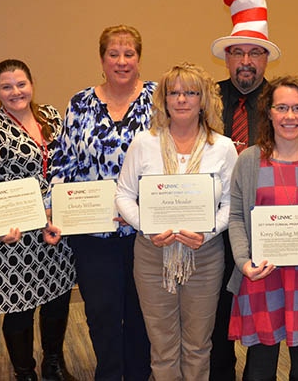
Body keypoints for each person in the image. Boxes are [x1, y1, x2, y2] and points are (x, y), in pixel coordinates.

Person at [115, 62, 237, 380]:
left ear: (203, 99)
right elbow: (123, 195)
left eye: (191, 92)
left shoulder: (222, 148)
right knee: (163, 346)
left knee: (198, 345)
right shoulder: (144, 142)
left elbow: (232, 204)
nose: (182, 99)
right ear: (164, 99)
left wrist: (208, 233)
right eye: (174, 92)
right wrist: (148, 226)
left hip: (205, 256)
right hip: (153, 255)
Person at [48, 25, 154, 380]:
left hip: (144, 233)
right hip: (93, 233)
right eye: (114, 54)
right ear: (102, 59)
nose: (121, 61)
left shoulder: (159, 99)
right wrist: (53, 209)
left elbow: (171, 160)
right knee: (102, 314)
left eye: (129, 54)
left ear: (139, 58)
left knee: (142, 315)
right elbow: (63, 161)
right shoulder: (80, 103)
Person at [227, 75, 298, 380]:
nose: (290, 116)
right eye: (281, 108)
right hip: (262, 277)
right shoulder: (250, 161)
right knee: (260, 368)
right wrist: (243, 263)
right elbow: (237, 218)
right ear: (269, 113)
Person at [0, 59, 77, 381]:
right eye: (6, 86)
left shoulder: (51, 117)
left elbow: (66, 167)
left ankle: (53, 364)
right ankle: (25, 372)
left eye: (21, 84)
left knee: (58, 301)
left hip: (54, 231)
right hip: (14, 238)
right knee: (20, 307)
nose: (15, 92)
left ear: (31, 84)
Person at [209, 0, 282, 379]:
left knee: (261, 323)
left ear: (266, 59)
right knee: (219, 317)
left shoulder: (283, 103)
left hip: (266, 230)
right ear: (228, 58)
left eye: (255, 52)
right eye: (239, 52)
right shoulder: (209, 101)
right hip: (216, 231)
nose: (246, 61)